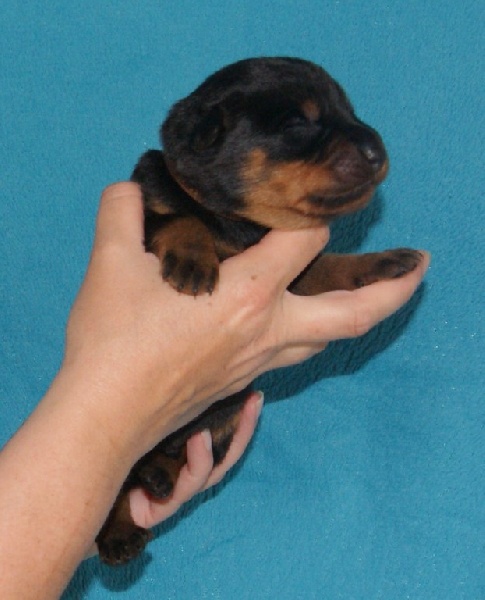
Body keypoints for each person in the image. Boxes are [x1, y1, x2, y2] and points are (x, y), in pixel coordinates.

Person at [0, 183, 429, 598]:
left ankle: (145, 482)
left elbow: (293, 279)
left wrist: (63, 527)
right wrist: (117, 410)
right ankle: (124, 505)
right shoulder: (174, 194)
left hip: (191, 424)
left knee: (219, 428)